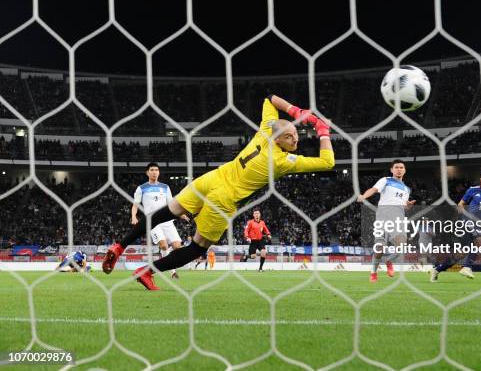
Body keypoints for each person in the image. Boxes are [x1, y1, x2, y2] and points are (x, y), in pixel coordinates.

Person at [102, 94, 334, 290]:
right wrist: (322, 131)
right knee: (197, 248)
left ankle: (119, 245)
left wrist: (298, 112)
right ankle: (147, 272)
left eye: (295, 134)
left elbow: (269, 98)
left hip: (211, 179)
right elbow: (327, 162)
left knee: (164, 213)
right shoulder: (284, 161)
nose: (295, 139)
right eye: (289, 136)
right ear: (277, 138)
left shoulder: (265, 130)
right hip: (223, 198)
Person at [430, 168, 481, 282]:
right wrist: (463, 212)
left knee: (461, 253)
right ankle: (467, 267)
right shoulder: (473, 190)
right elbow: (461, 204)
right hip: (468, 221)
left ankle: (437, 270)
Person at [358, 160, 416, 282]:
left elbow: (403, 206)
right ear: (392, 169)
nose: (399, 169)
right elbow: (374, 189)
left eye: (401, 167)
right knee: (380, 248)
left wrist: (408, 206)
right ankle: (373, 272)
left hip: (398, 218)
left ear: (404, 170)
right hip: (383, 216)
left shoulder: (407, 189)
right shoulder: (386, 180)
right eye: (396, 167)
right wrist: (364, 196)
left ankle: (388, 261)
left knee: (401, 246)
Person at [131, 163, 189, 279]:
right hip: (152, 221)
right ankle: (173, 272)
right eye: (152, 170)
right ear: (147, 173)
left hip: (167, 220)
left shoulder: (165, 187)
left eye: (156, 170)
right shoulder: (141, 188)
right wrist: (134, 216)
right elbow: (135, 205)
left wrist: (181, 214)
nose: (154, 172)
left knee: (178, 247)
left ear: (159, 172)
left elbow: (171, 203)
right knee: (163, 245)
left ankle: (167, 259)